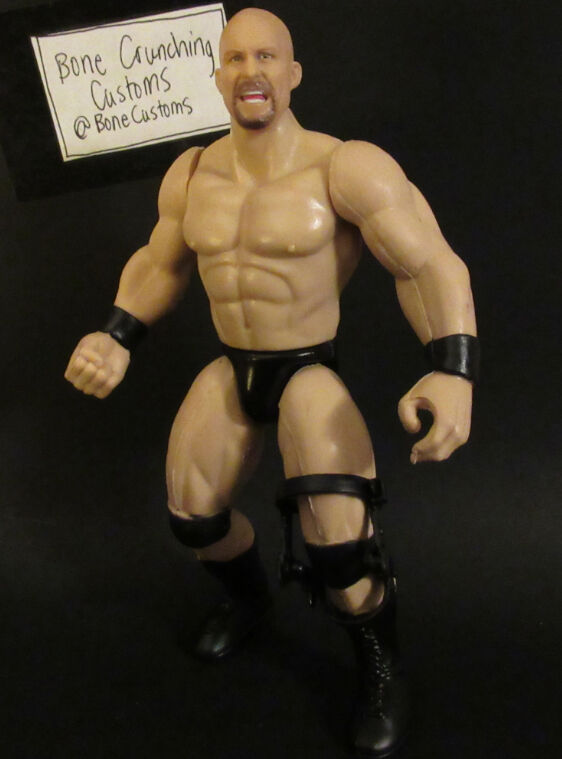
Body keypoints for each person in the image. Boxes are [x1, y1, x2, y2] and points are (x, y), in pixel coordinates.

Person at [65, 8, 478, 757]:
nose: (250, 71)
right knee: (193, 517)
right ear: (217, 75)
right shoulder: (193, 171)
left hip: (308, 368)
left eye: (266, 57)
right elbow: (160, 263)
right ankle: (251, 600)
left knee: (341, 550)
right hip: (235, 364)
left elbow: (428, 263)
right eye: (235, 58)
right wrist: (116, 334)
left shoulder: (343, 166)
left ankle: (381, 667)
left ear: (293, 73)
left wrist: (453, 368)